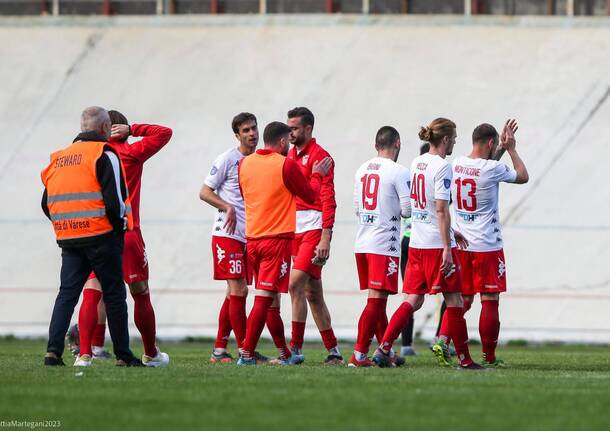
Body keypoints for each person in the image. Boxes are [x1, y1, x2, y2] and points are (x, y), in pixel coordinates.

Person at [372, 118, 483, 370]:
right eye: (454, 137)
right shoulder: (444, 167)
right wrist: (447, 248)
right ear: (445, 139)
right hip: (435, 245)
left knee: (413, 299)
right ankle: (465, 360)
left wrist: (451, 231)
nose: (455, 141)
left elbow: (424, 208)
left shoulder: (416, 162)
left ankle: (384, 347)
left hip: (417, 244)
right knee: (455, 300)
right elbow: (441, 210)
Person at [40, 106, 140, 367]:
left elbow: (45, 202)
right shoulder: (105, 154)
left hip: (69, 238)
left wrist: (65, 224)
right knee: (115, 295)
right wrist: (118, 230)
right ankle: (123, 355)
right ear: (105, 128)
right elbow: (115, 202)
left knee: (67, 295)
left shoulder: (59, 157)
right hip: (101, 236)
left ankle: (52, 353)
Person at [73, 110, 173, 367]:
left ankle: (85, 355)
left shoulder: (95, 156)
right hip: (128, 231)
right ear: (119, 129)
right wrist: (134, 129)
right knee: (140, 293)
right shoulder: (131, 153)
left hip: (99, 232)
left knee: (93, 291)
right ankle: (151, 353)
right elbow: (164, 133)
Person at [236, 122, 332, 365]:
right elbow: (310, 195)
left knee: (273, 302)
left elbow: (246, 192)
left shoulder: (244, 164)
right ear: (281, 142)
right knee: (265, 298)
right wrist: (318, 174)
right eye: (287, 142)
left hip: (252, 238)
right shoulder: (285, 164)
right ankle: (246, 353)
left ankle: (285, 352)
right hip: (275, 239)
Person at [435, 120, 528, 367]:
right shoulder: (492, 169)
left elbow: (485, 165)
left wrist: (498, 149)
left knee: (462, 299)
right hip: (487, 245)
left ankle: (442, 339)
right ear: (490, 143)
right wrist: (511, 149)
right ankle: (489, 356)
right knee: (490, 298)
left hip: (462, 244)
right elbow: (522, 176)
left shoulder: (457, 165)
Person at [200, 112, 268, 364]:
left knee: (233, 293)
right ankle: (245, 350)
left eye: (254, 128)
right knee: (240, 289)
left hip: (247, 235)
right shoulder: (228, 159)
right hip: (226, 234)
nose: (252, 134)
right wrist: (226, 206)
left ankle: (219, 350)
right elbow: (205, 192)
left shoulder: (261, 160)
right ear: (237, 135)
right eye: (246, 130)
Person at [349, 126, 411, 367]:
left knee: (378, 301)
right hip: (383, 243)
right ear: (397, 143)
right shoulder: (399, 171)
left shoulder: (361, 169)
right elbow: (406, 210)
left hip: (363, 241)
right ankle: (359, 354)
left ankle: (387, 352)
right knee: (376, 301)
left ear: (376, 145)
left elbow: (357, 207)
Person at [285, 107, 342, 365]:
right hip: (292, 229)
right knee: (313, 294)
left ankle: (294, 349)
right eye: (289, 128)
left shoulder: (321, 157)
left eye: (295, 128)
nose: (291, 133)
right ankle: (334, 351)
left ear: (308, 129)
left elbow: (328, 199)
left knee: (294, 284)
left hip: (312, 230)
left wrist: (325, 237)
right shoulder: (289, 154)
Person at [399, 142, 429, 357]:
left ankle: (405, 344)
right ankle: (442, 338)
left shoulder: (409, 177)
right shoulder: (436, 174)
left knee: (410, 294)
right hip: (426, 241)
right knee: (453, 293)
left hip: (408, 240)